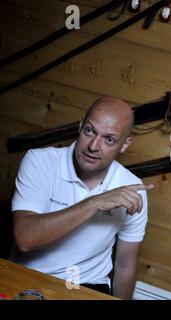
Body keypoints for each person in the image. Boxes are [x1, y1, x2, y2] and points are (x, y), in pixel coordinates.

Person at [9, 96, 153, 300]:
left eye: (109, 139)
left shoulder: (133, 189)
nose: (93, 146)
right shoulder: (39, 161)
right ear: (80, 125)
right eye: (90, 131)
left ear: (124, 145)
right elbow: (25, 238)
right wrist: (95, 202)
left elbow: (125, 264)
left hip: (87, 285)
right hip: (27, 277)